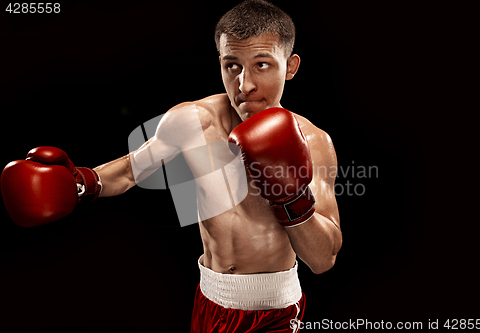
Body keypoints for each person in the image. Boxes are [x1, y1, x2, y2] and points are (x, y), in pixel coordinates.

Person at [1, 1, 342, 332]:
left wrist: (290, 197)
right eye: (232, 65)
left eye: (262, 65)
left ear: (291, 66)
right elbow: (130, 172)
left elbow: (323, 259)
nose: (244, 85)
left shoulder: (314, 143)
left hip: (276, 313)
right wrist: (79, 183)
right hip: (210, 299)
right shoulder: (191, 120)